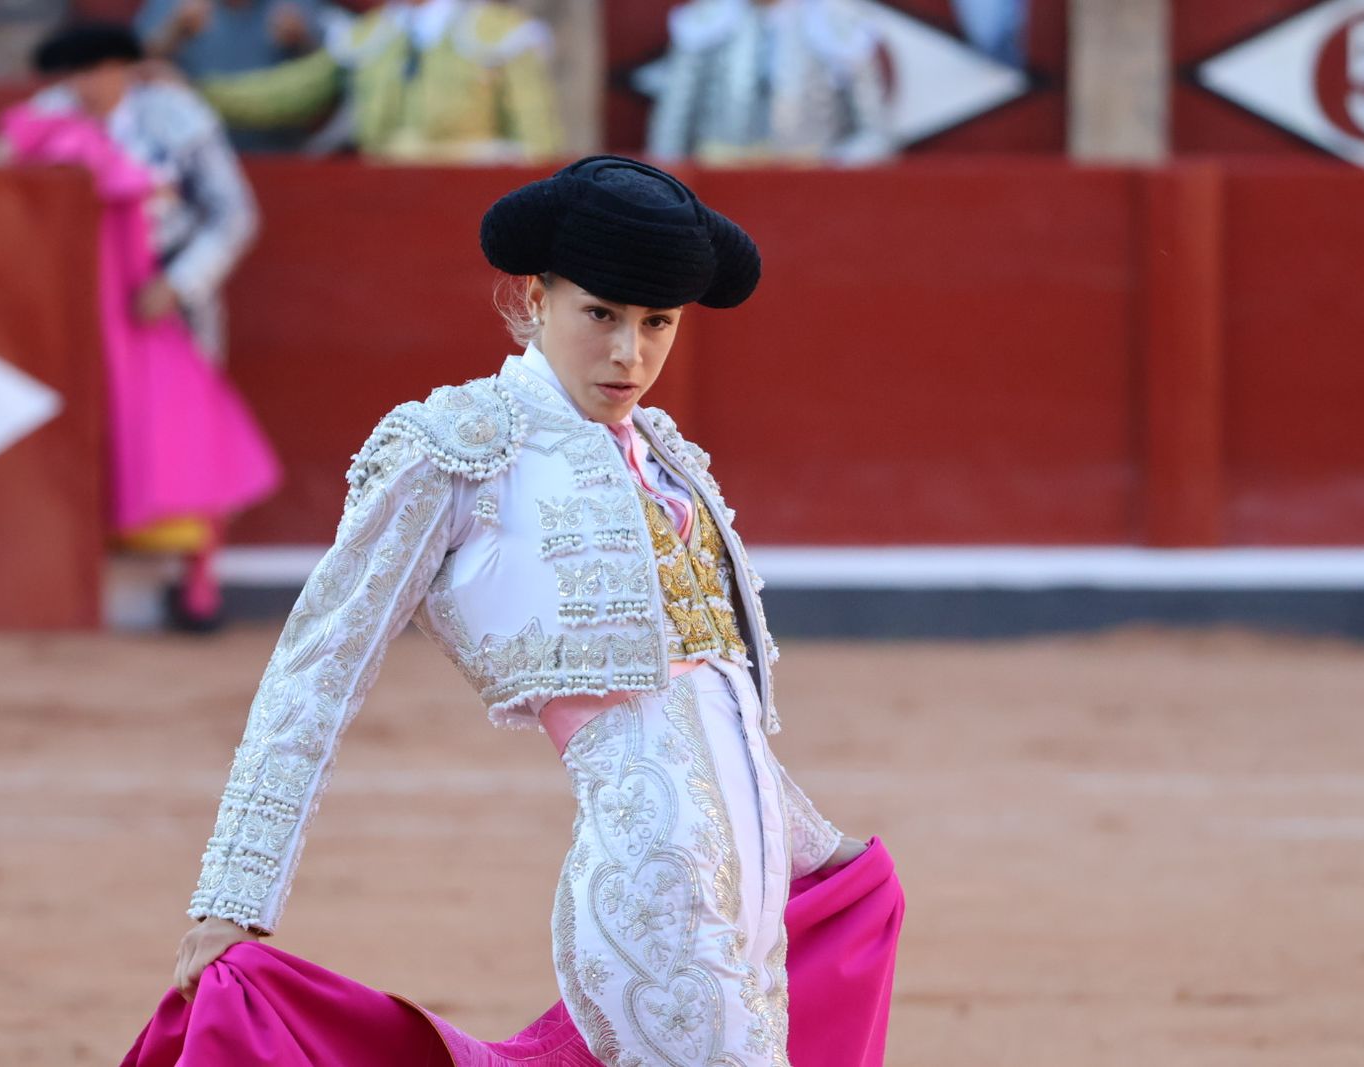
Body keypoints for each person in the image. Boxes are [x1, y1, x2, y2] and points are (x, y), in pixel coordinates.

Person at [125, 156, 903, 1067]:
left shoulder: (664, 457)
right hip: (653, 895)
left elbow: (712, 710)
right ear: (536, 297)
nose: (630, 354)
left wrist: (819, 854)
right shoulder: (455, 448)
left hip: (750, 898)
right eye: (601, 314)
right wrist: (234, 898)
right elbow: (316, 669)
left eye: (658, 323)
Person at [0, 24, 277, 631]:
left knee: (190, 431)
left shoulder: (177, 118)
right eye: (71, 73)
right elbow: (0, 191)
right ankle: (73, 572)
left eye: (92, 70)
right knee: (81, 432)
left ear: (123, 68)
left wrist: (181, 282)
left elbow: (233, 211)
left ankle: (198, 582)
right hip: (72, 305)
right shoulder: (47, 115)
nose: (81, 86)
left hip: (168, 298)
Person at [646, 0, 896, 166]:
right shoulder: (702, 21)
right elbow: (671, 128)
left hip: (811, 186)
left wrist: (831, 170)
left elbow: (875, 133)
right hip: (718, 181)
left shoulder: (837, 24)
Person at [324, 0, 562, 162]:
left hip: (473, 185)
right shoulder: (371, 30)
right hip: (382, 184)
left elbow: (537, 139)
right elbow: (299, 88)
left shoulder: (501, 30)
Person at [135, 0, 325, 150]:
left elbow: (335, 75)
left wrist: (304, 41)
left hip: (279, 152)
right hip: (192, 151)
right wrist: (173, 32)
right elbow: (134, 70)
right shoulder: (172, 4)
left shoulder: (298, 5)